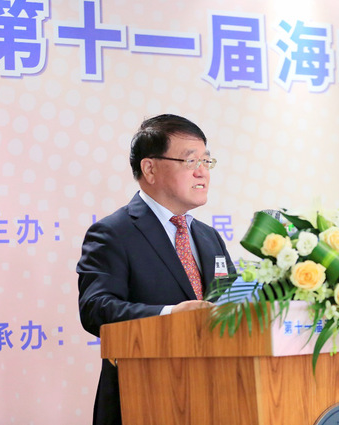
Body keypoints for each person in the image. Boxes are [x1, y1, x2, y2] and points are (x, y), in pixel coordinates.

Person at [77, 114, 236, 425]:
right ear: (149, 168)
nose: (202, 172)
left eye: (207, 161)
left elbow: (229, 304)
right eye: (190, 161)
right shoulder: (113, 233)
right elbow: (95, 309)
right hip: (143, 398)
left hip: (214, 396)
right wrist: (170, 315)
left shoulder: (208, 237)